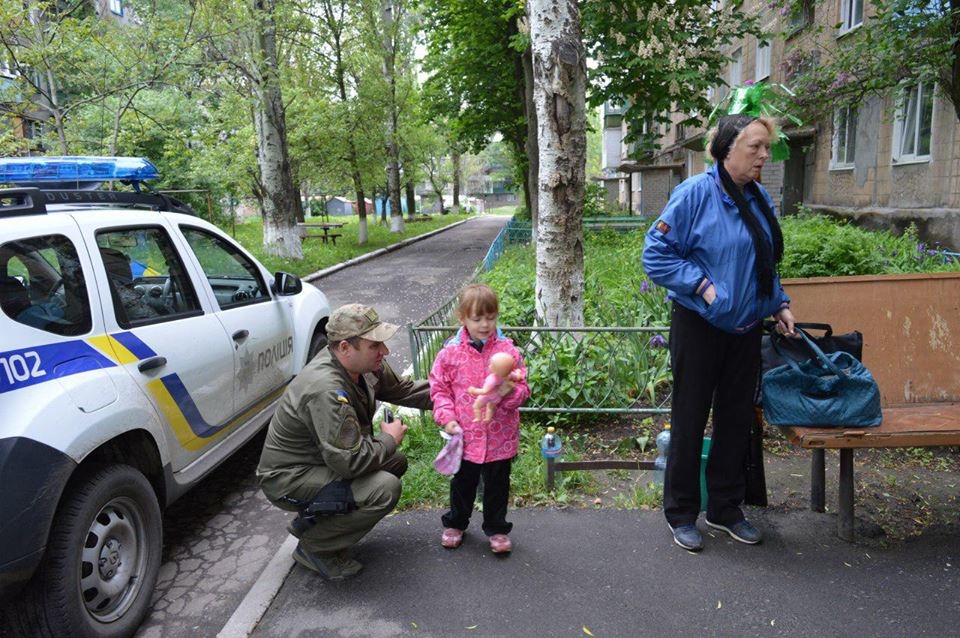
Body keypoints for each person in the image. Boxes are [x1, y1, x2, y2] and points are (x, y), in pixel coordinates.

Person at [641, 114, 797, 552]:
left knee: (735, 420)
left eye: (767, 147)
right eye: (756, 147)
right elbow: (655, 254)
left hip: (746, 327)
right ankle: (681, 513)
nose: (765, 155)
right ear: (728, 148)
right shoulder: (695, 193)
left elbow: (763, 260)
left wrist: (779, 302)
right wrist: (703, 285)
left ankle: (727, 509)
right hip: (700, 326)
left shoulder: (758, 196)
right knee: (690, 420)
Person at [256, 303, 432, 580]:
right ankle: (315, 547)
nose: (384, 351)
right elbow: (350, 462)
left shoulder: (365, 365)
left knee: (394, 462)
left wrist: (463, 395)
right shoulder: (325, 389)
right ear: (345, 348)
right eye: (375, 345)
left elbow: (403, 390)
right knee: (384, 488)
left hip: (326, 462)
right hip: (289, 478)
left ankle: (316, 523)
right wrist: (388, 438)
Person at [429, 283, 530, 554]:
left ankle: (497, 528)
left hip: (500, 434)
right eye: (477, 318)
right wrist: (447, 418)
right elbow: (439, 389)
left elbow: (523, 388)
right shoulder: (449, 353)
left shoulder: (508, 351)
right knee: (463, 483)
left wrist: (505, 396)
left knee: (498, 485)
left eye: (491, 317)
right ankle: (456, 523)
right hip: (465, 434)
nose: (485, 324)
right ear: (462, 318)